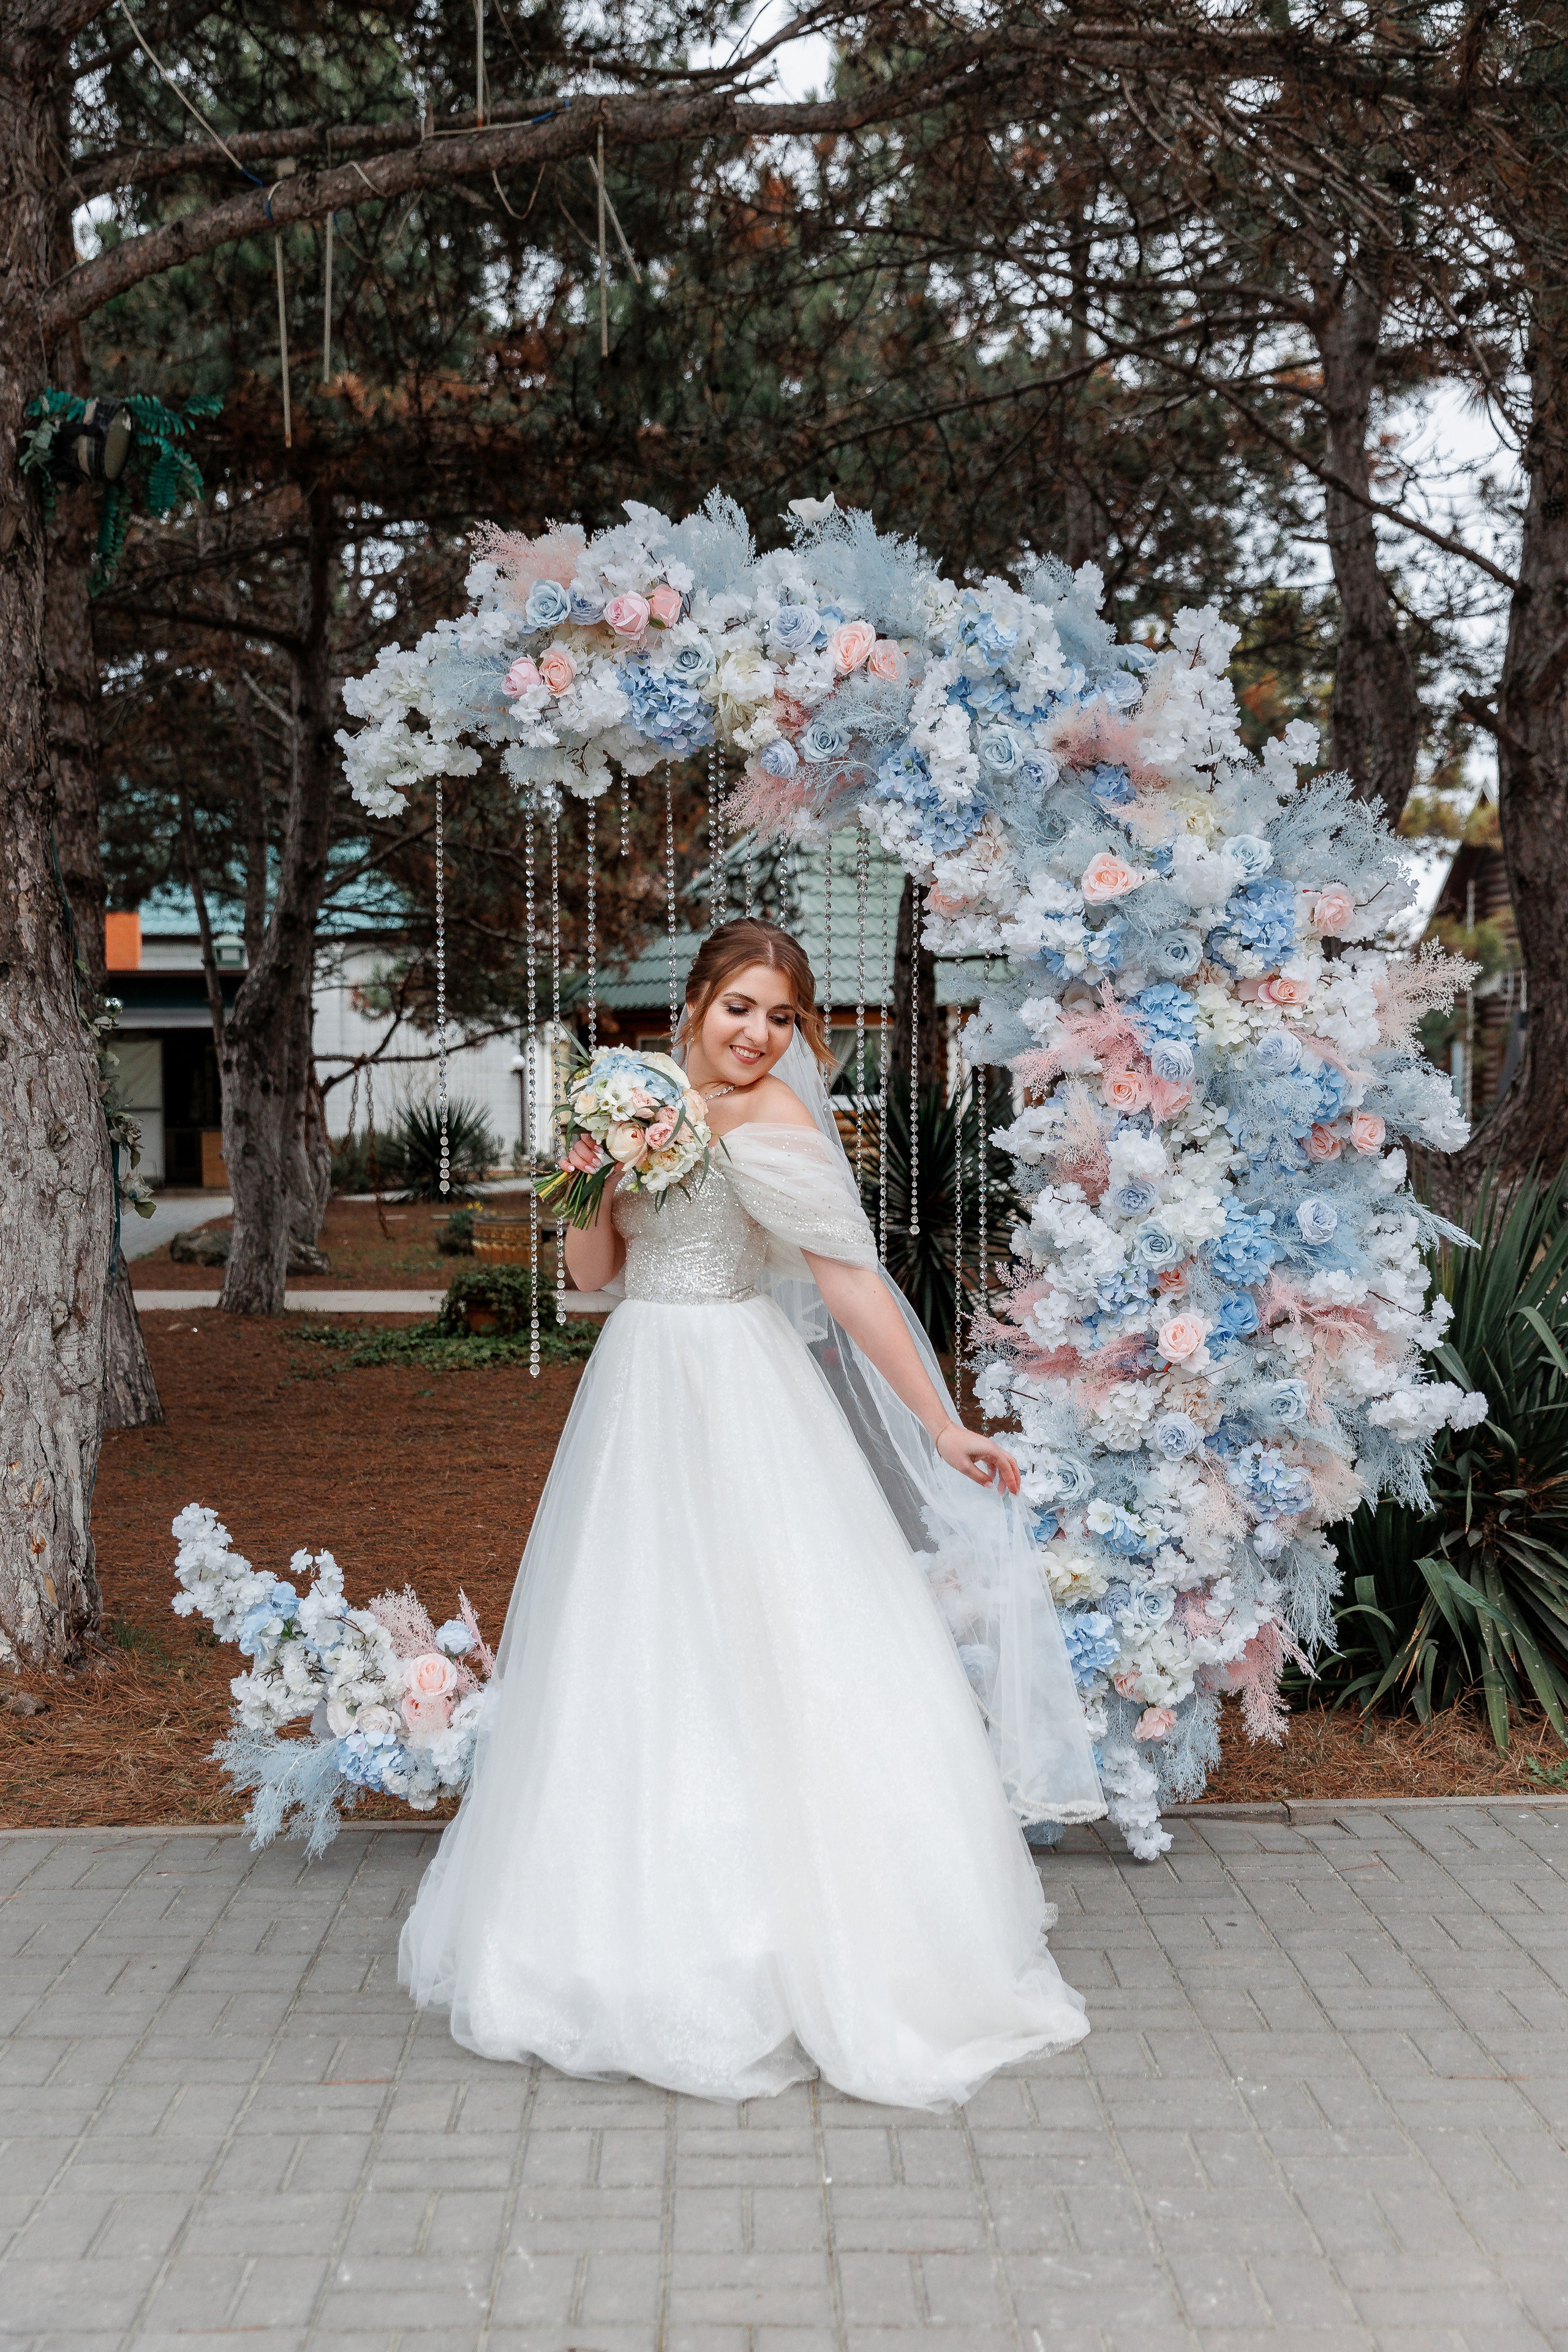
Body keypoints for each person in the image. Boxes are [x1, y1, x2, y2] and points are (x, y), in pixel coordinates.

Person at [399, 917, 1104, 2108]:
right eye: (740, 1008)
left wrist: (940, 1422)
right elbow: (587, 1278)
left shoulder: (779, 1126)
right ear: (694, 1003)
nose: (757, 1035)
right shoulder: (637, 1100)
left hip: (739, 1383)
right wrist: (591, 1170)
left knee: (771, 1638)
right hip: (637, 1389)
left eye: (780, 1017)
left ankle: (800, 1940)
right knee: (629, 1645)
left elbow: (845, 1282)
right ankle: (603, 1935)